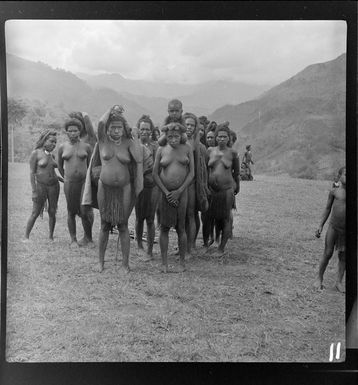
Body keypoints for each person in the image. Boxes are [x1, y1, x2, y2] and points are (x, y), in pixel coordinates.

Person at [82, 105, 144, 272]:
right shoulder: (102, 141)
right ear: (108, 129)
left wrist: (136, 137)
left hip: (125, 188)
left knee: (123, 225)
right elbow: (101, 122)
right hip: (105, 187)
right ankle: (100, 262)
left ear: (124, 129)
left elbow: (138, 158)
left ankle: (125, 264)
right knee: (104, 224)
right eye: (113, 127)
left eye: (119, 127)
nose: (116, 130)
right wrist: (111, 109)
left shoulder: (128, 143)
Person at [153, 122, 194, 273]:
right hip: (165, 194)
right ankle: (164, 263)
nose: (173, 139)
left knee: (181, 228)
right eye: (170, 136)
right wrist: (166, 192)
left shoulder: (187, 148)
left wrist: (180, 191)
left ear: (181, 136)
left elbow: (192, 173)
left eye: (176, 136)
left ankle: (182, 262)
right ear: (166, 136)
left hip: (182, 193)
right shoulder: (161, 150)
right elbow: (155, 174)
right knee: (164, 227)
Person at [57, 117, 94, 247]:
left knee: (84, 210)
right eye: (70, 131)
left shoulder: (87, 147)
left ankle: (88, 238)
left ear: (80, 131)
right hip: (69, 183)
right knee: (71, 211)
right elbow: (60, 166)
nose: (73, 133)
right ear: (66, 132)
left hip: (84, 182)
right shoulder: (62, 147)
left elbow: (90, 166)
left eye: (75, 130)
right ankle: (73, 239)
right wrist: (67, 178)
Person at [204, 125, 240, 255]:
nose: (222, 139)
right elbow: (205, 169)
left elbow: (236, 173)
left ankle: (221, 249)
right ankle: (209, 242)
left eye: (225, 136)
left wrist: (236, 187)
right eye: (219, 136)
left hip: (227, 190)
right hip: (211, 191)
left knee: (225, 218)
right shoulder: (209, 151)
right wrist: (205, 186)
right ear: (215, 137)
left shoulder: (233, 153)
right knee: (209, 217)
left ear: (229, 138)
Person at [24, 129, 61, 240]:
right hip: (41, 186)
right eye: (51, 141)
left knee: (52, 211)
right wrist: (34, 191)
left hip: (54, 186)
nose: (54, 144)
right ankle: (26, 237)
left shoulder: (52, 156)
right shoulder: (36, 153)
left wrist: (64, 180)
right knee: (35, 212)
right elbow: (32, 172)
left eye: (55, 142)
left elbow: (52, 172)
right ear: (44, 140)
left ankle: (50, 237)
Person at [314, 166, 346, 292]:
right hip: (334, 227)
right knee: (327, 253)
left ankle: (339, 281)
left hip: (346, 231)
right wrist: (320, 225)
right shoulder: (334, 191)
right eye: (345, 174)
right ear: (339, 176)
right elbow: (327, 209)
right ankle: (319, 278)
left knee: (344, 256)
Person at [183, 112, 209, 258]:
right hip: (180, 185)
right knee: (183, 217)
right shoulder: (178, 143)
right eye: (186, 124)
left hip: (193, 185)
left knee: (192, 215)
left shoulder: (200, 147)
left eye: (192, 125)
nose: (189, 127)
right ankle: (184, 244)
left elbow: (204, 170)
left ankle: (191, 246)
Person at [135, 115, 159, 261]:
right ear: (138, 130)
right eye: (142, 129)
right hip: (138, 185)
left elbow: (157, 166)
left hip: (152, 185)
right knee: (139, 217)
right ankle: (138, 245)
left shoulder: (155, 146)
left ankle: (150, 250)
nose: (144, 132)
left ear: (151, 131)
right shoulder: (134, 145)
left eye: (147, 129)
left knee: (150, 218)